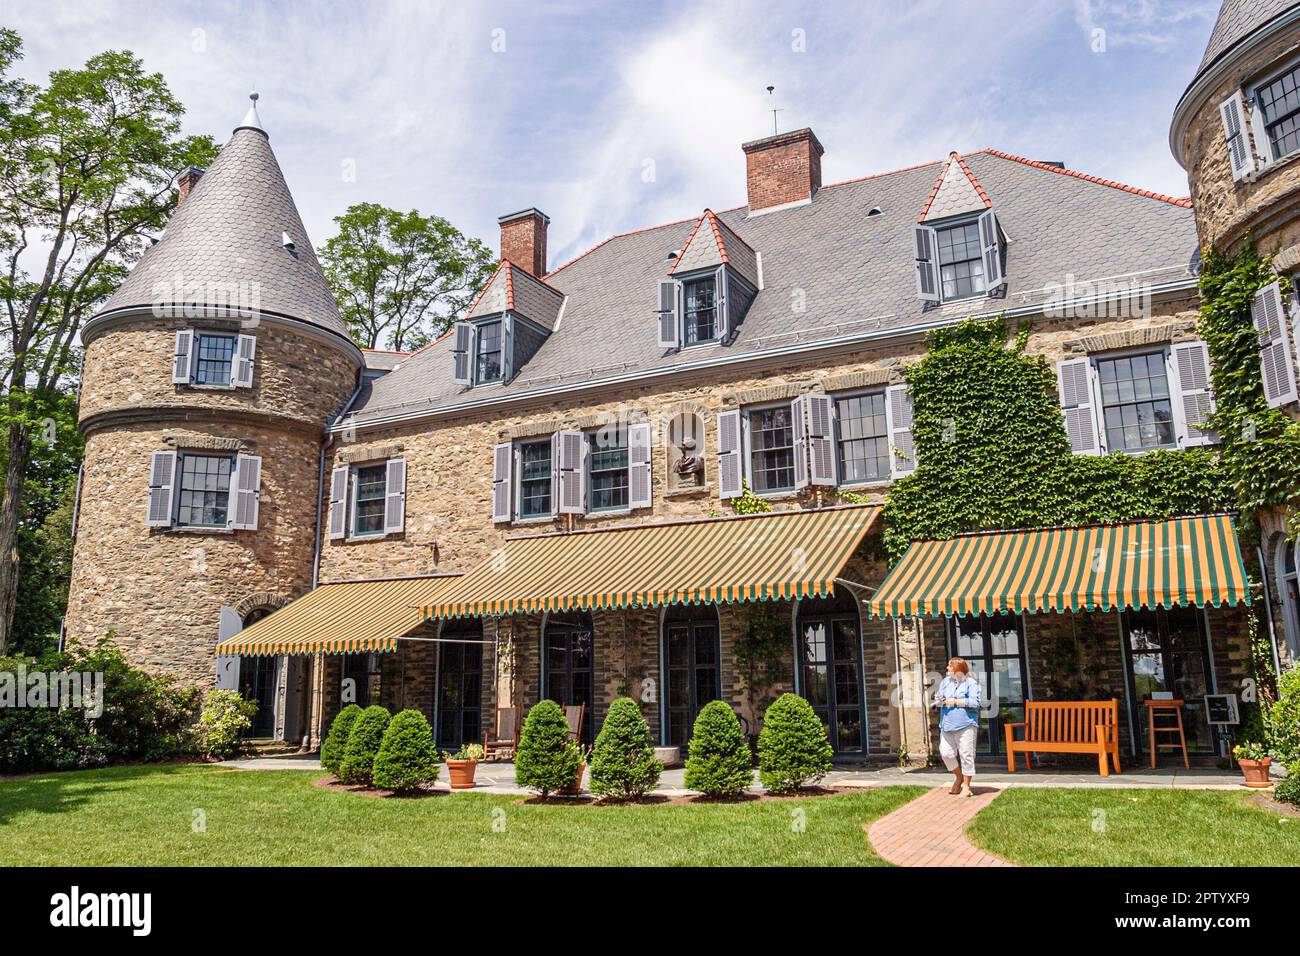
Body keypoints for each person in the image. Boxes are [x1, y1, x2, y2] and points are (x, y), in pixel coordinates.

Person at [934, 657, 982, 797]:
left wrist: (955, 701)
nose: (947, 668)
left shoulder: (971, 683)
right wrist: (939, 700)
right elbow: (940, 698)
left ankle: (966, 786)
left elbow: (976, 702)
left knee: (966, 755)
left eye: (950, 666)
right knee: (946, 753)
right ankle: (959, 777)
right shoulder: (945, 682)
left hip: (966, 724)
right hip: (947, 724)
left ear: (957, 669)